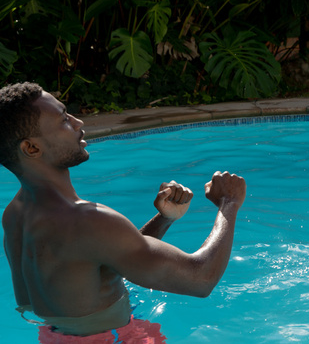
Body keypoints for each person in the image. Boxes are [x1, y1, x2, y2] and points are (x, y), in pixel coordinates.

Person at [0, 82, 247, 338]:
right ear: (31, 148)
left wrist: (163, 220)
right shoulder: (88, 221)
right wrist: (229, 203)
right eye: (63, 120)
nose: (78, 123)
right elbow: (201, 280)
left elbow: (71, 283)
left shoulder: (16, 214)